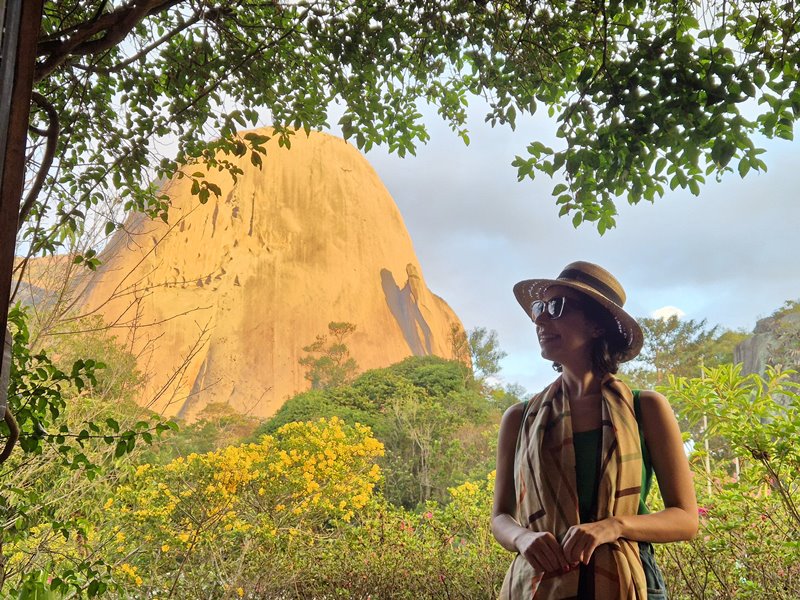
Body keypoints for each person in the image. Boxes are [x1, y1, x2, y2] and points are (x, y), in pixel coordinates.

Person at [492, 261, 698, 599]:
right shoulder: (520, 417)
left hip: (630, 580)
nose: (541, 319)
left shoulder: (644, 409)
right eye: (539, 309)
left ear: (597, 325)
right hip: (540, 581)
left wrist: (614, 526)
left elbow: (686, 519)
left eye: (556, 308)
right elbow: (501, 516)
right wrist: (523, 538)